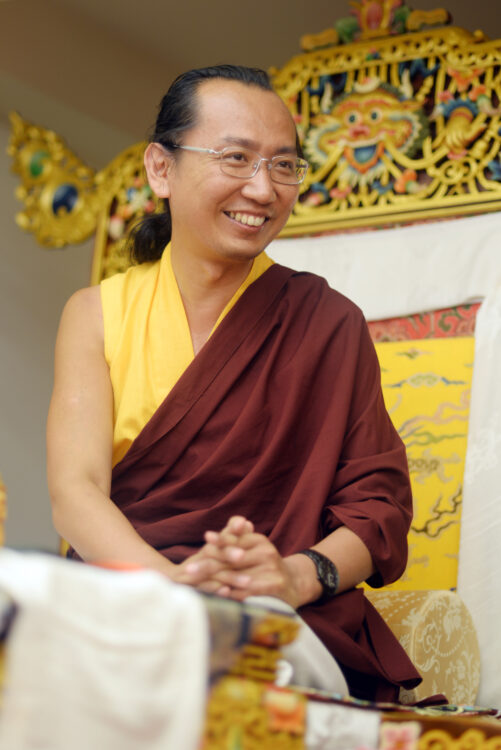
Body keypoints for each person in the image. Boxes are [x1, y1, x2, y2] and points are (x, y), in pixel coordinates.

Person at [47, 64, 421, 701]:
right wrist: (174, 588)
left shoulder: (328, 323)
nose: (263, 188)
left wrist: (296, 576)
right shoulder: (97, 315)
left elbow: (379, 509)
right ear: (160, 169)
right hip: (130, 594)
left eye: (284, 165)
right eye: (236, 158)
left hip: (277, 612)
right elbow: (76, 491)